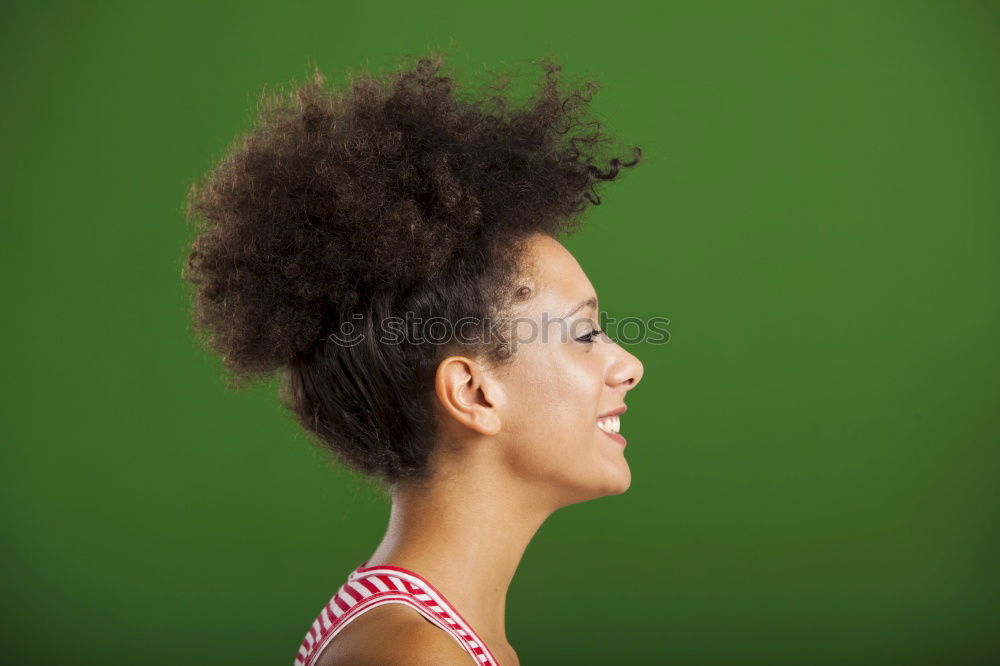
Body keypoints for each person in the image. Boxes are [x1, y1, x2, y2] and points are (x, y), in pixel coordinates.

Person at [182, 50, 645, 665]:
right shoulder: (413, 654)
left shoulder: (432, 637)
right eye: (584, 334)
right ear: (474, 393)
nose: (630, 365)